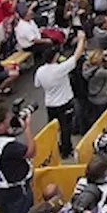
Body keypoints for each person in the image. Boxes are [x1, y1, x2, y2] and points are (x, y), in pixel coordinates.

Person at [34, 31, 86, 159]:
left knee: (52, 128)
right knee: (65, 128)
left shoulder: (40, 71)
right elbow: (76, 55)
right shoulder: (60, 69)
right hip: (64, 102)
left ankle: (52, 148)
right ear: (55, 57)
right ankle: (66, 151)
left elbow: (37, 85)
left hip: (50, 104)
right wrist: (81, 39)